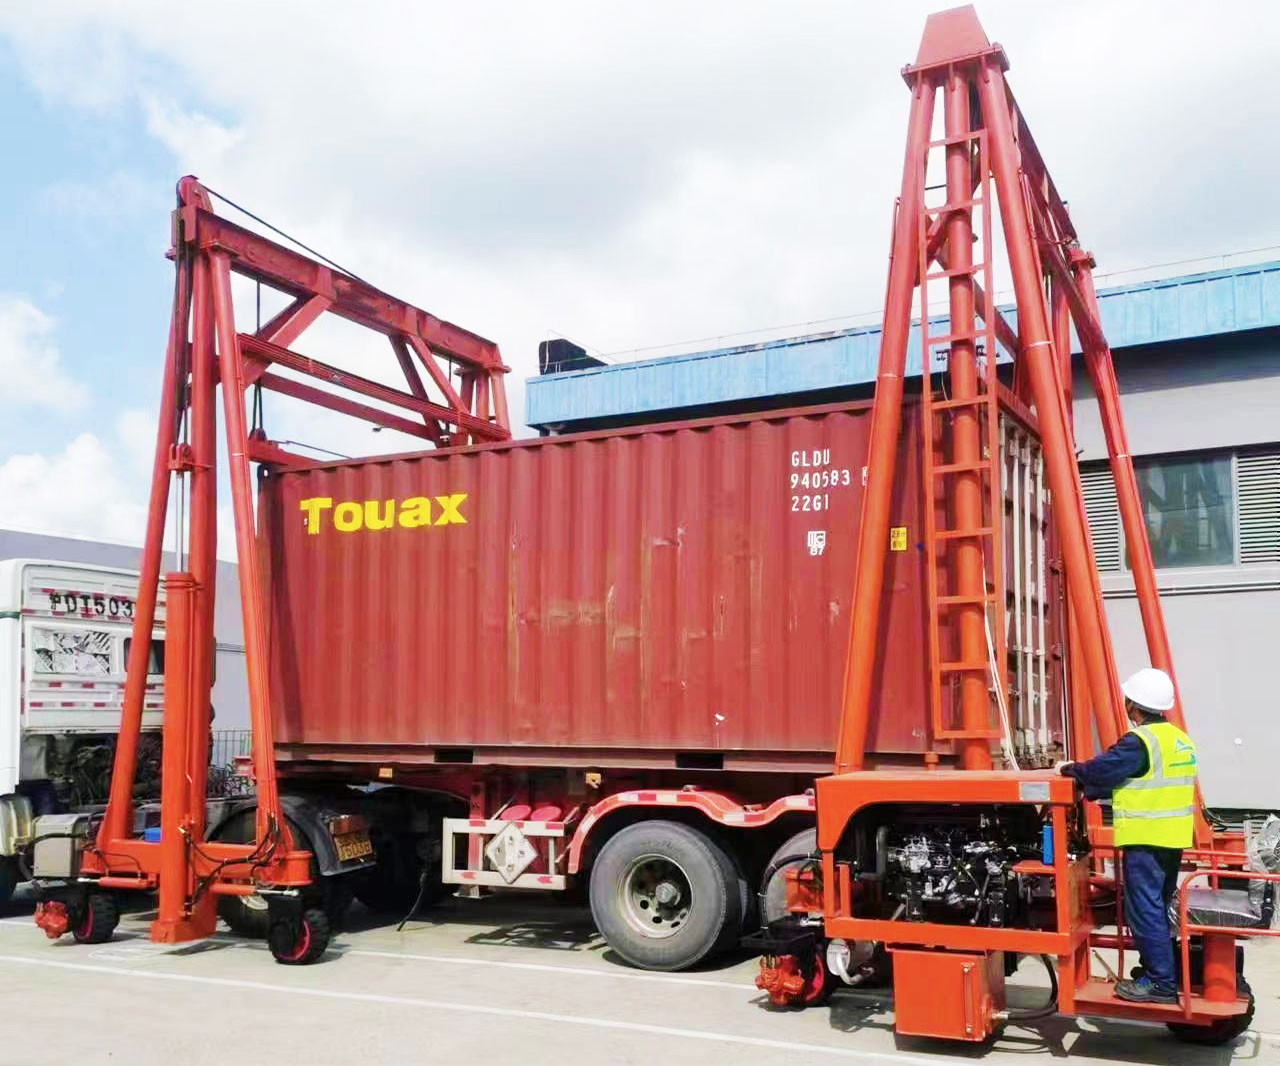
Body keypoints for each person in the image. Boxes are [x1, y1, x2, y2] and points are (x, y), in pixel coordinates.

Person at [1056, 667, 1198, 1004]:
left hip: (1146, 839)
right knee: (1157, 906)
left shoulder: (1140, 742)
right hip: (1172, 837)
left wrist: (1070, 770)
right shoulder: (1179, 739)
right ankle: (1159, 970)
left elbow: (1103, 770)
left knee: (1144, 909)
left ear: (1132, 704)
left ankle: (1161, 982)